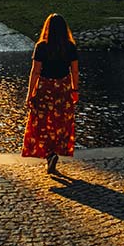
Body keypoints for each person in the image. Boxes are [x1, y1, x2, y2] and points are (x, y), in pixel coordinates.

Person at [21, 12, 79, 175]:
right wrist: (75, 90)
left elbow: (35, 72)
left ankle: (49, 154)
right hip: (63, 88)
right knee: (61, 122)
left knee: (41, 123)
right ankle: (56, 152)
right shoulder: (70, 46)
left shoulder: (41, 46)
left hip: (45, 88)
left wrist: (29, 93)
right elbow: (75, 71)